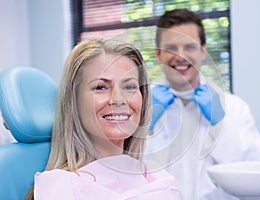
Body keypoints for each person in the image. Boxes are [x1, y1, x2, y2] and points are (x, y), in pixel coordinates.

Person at [25, 38, 181, 199]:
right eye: (101, 87)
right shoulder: (63, 187)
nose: (118, 99)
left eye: (129, 86)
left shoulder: (160, 180)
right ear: (74, 102)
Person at [144, 8, 260, 200]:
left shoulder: (234, 108)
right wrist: (145, 127)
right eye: (171, 47)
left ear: (203, 51)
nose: (180, 56)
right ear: (158, 54)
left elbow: (259, 174)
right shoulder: (139, 109)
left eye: (189, 46)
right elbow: (126, 176)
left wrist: (221, 124)